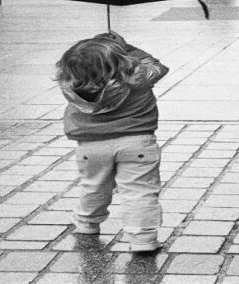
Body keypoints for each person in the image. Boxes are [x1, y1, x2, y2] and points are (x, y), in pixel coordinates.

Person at [55, 31, 169, 253]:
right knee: (139, 190)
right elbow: (158, 67)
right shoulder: (138, 78)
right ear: (121, 60)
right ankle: (142, 238)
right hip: (137, 142)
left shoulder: (70, 85)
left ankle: (87, 223)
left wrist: (99, 49)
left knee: (94, 185)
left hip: (91, 145)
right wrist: (126, 48)